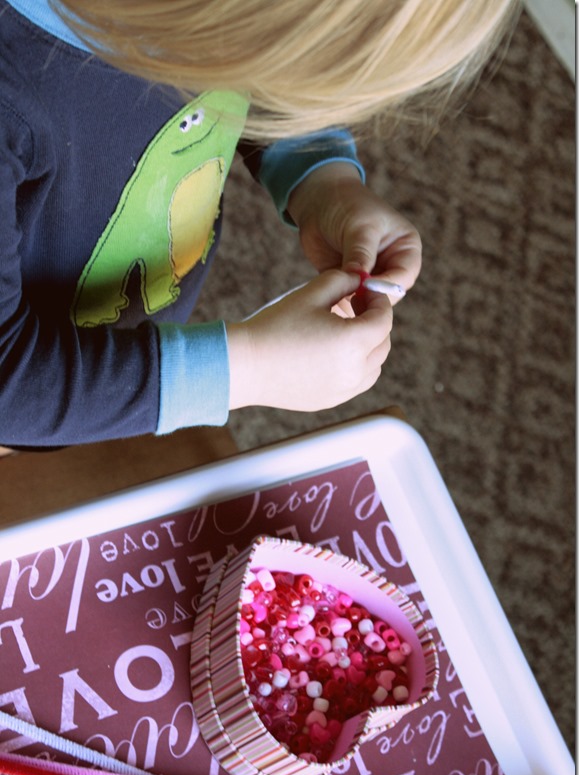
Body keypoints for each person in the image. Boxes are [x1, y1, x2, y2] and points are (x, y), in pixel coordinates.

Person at [0, 0, 519, 448]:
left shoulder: (209, 17)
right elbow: (11, 383)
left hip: (105, 370)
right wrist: (246, 367)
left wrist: (325, 182)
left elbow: (257, 58)